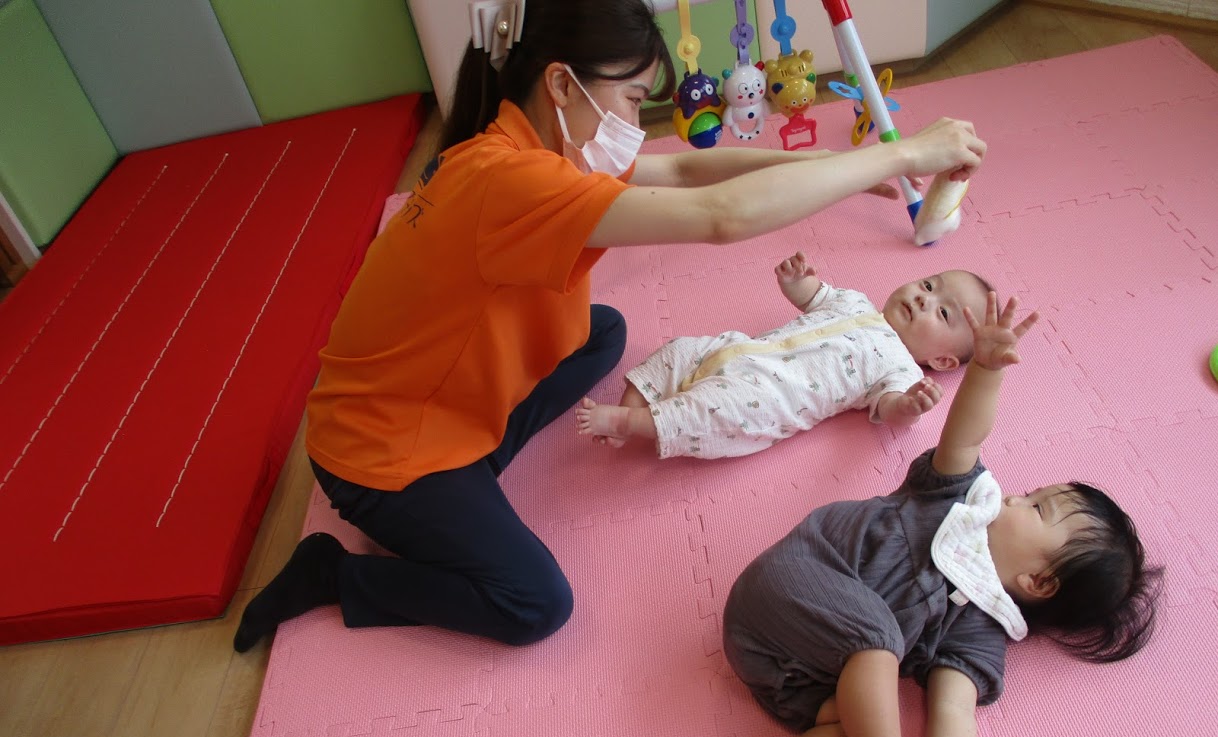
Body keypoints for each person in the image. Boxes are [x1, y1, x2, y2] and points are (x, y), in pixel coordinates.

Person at [233, 0, 989, 654]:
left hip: (428, 396)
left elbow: (687, 172)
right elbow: (719, 217)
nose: (635, 122)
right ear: (562, 83)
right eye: (631, 99)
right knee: (535, 605)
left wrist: (832, 163)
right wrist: (901, 152)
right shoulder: (513, 183)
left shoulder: (529, 144)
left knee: (601, 333)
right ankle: (338, 573)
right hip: (378, 454)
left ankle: (467, 487)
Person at [723, 294, 1161, 737]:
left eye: (1037, 508)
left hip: (783, 668)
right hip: (791, 583)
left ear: (1038, 581)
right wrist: (985, 370)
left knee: (854, 729)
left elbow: (955, 709)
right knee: (878, 641)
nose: (1015, 496)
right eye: (1032, 492)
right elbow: (966, 437)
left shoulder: (981, 628)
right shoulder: (958, 504)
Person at [575, 251, 993, 458]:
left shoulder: (901, 369)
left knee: (710, 410)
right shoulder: (856, 300)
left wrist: (910, 406)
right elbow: (813, 297)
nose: (923, 299)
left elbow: (892, 411)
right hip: (738, 349)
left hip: (767, 400)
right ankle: (633, 406)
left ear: (942, 361)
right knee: (680, 350)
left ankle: (628, 423)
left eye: (942, 313)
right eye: (929, 285)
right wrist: (796, 282)